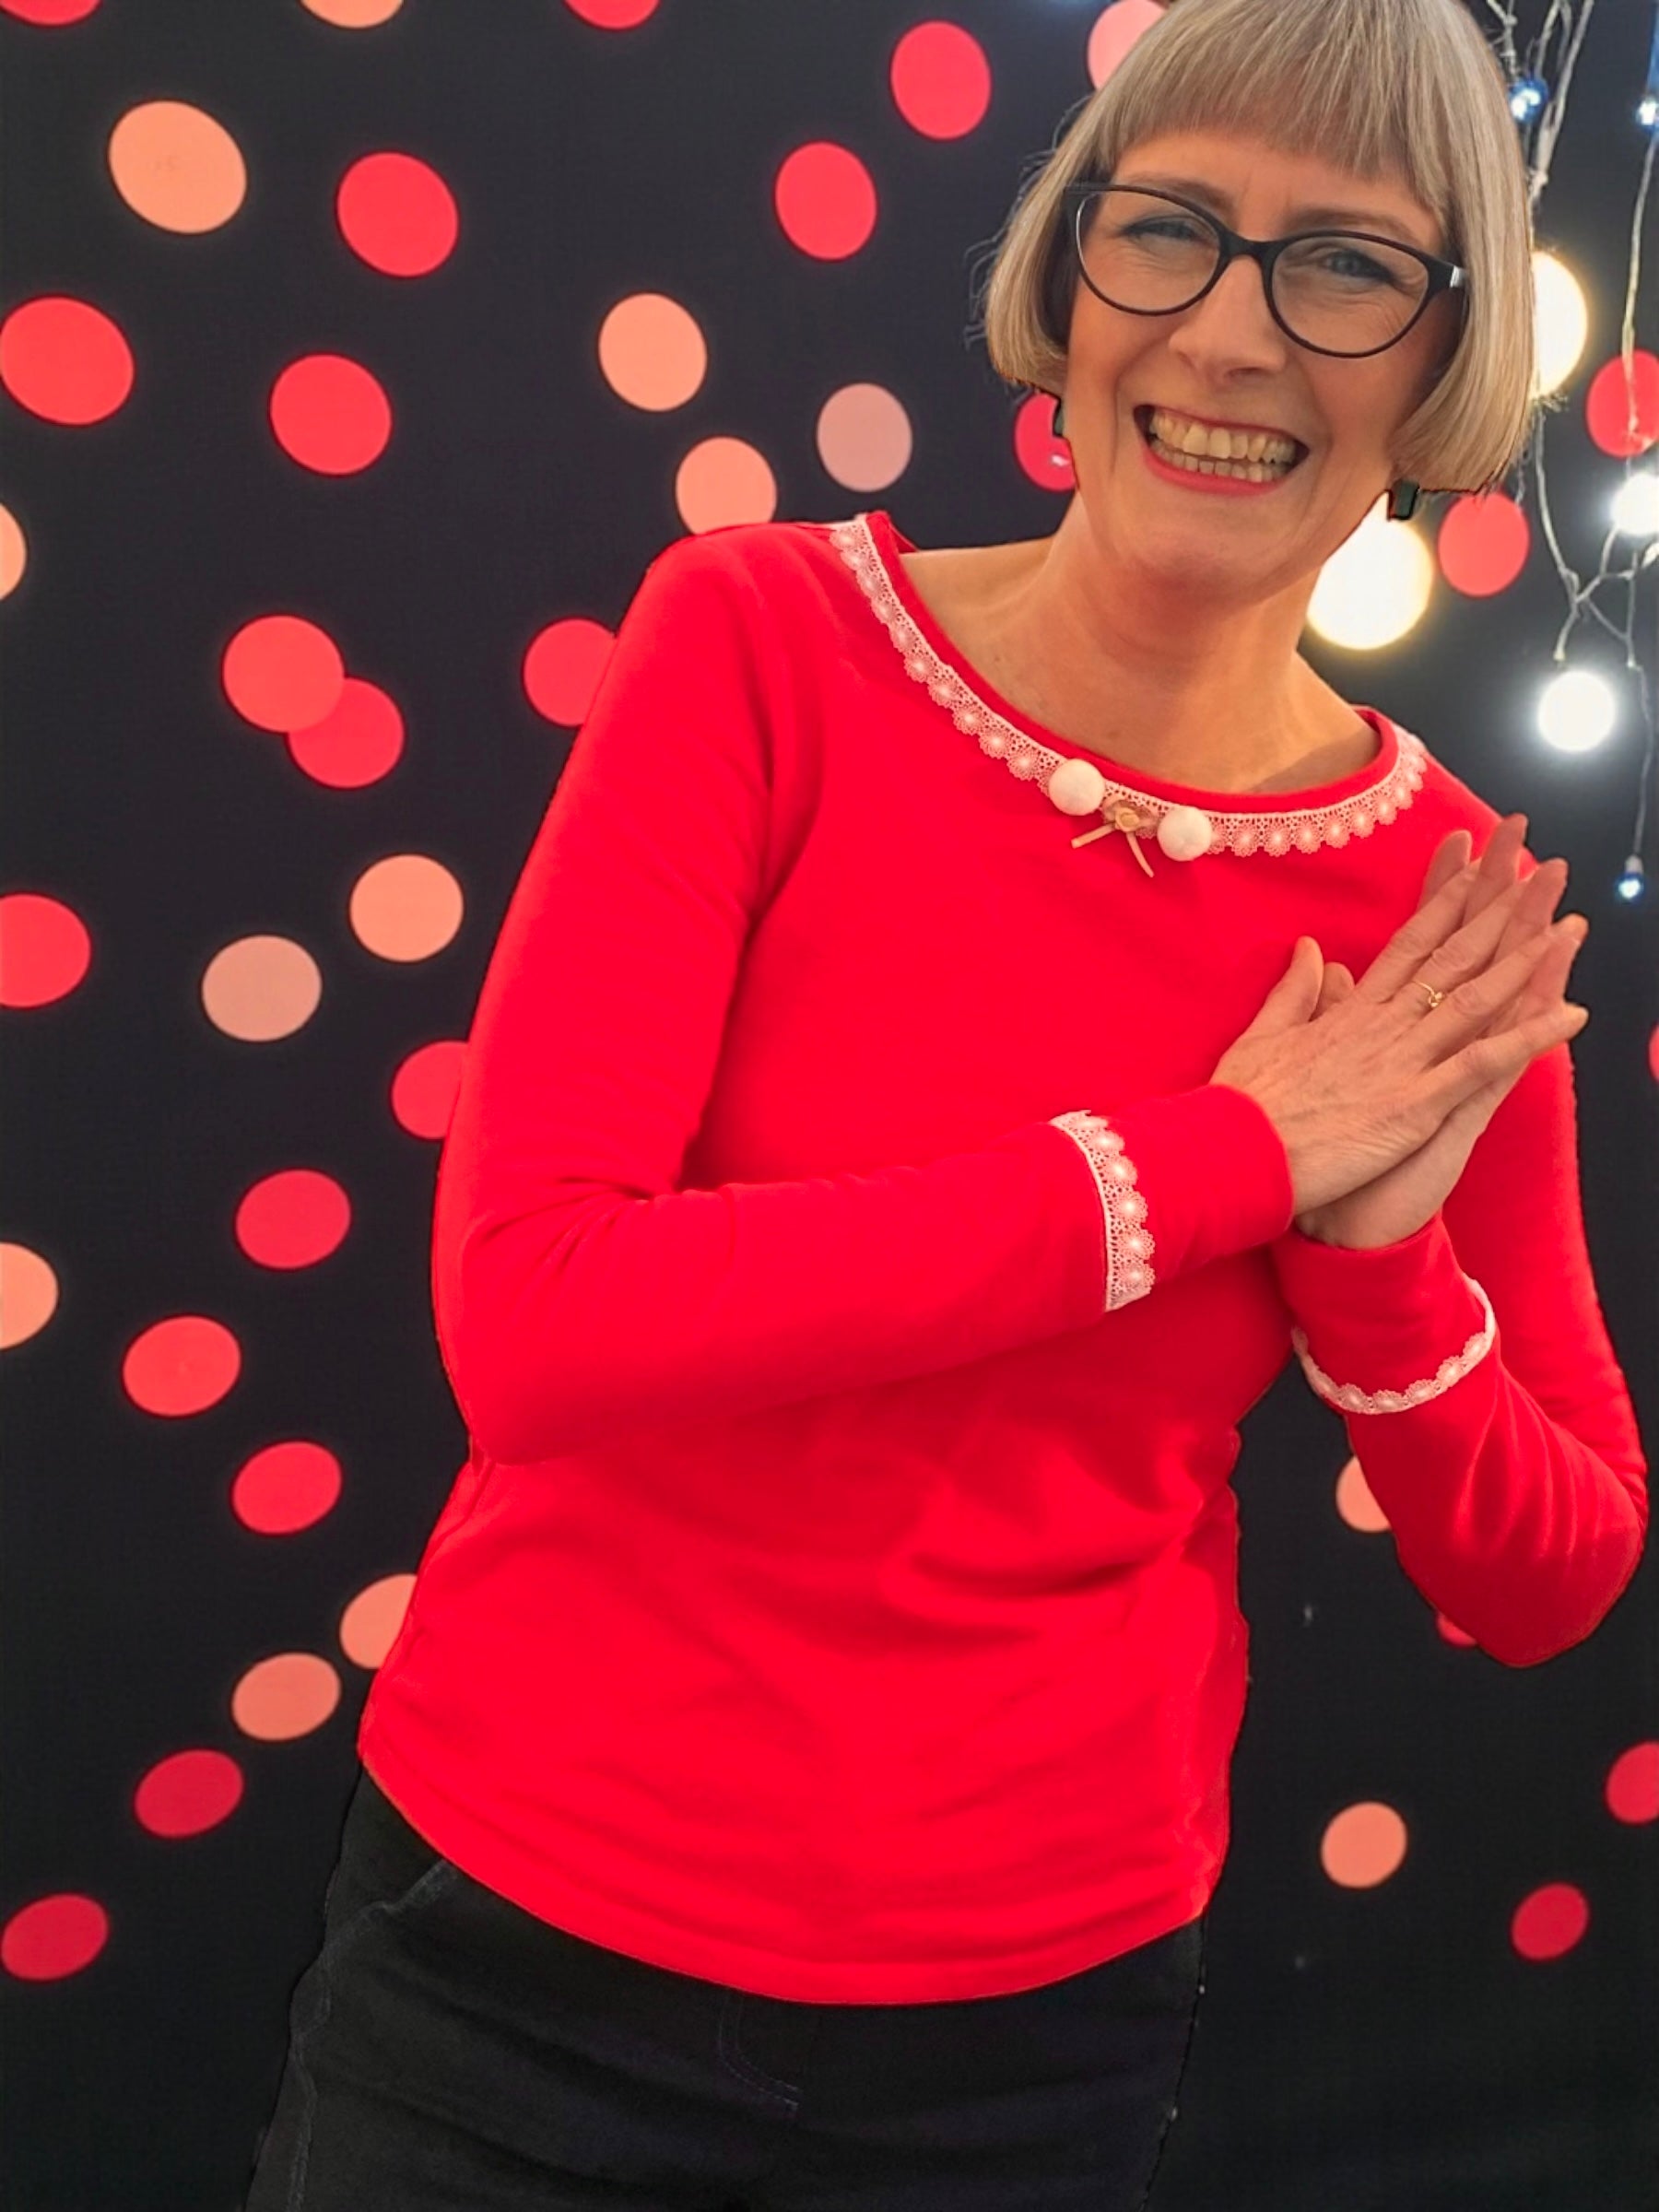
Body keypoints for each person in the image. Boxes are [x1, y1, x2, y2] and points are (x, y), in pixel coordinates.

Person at [244, 0, 1648, 2205]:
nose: (1232, 333)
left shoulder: (1432, 908)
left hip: (1029, 2044)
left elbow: (1551, 1566)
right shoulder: (760, 639)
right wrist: (1220, 1164)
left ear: (1447, 359)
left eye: (1348, 266)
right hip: (517, 1969)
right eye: (1169, 229)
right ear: (1071, 275)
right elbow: (537, 1318)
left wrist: (1374, 1268)